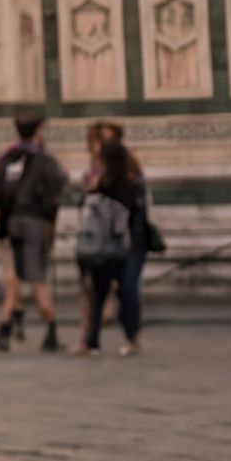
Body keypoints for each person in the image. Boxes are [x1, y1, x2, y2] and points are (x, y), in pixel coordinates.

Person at [0, 114, 66, 352]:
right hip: (34, 222)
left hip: (11, 222)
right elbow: (59, 183)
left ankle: (4, 325)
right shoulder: (42, 159)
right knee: (36, 277)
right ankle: (51, 326)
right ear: (37, 132)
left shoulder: (8, 158)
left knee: (15, 277)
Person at [77, 129, 147, 357]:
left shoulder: (132, 182)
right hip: (115, 244)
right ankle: (105, 340)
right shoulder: (107, 183)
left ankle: (118, 338)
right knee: (113, 291)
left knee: (115, 291)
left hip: (122, 244)